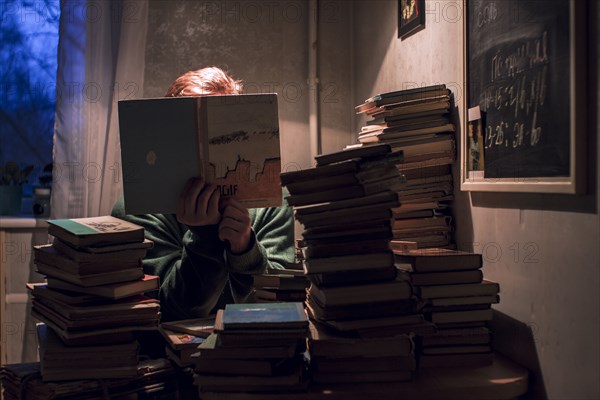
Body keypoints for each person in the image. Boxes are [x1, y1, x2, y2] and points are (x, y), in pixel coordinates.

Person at [112, 66, 295, 321]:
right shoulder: (139, 207)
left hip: (255, 355)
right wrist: (205, 237)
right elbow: (165, 312)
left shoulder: (271, 201)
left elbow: (279, 308)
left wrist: (244, 249)